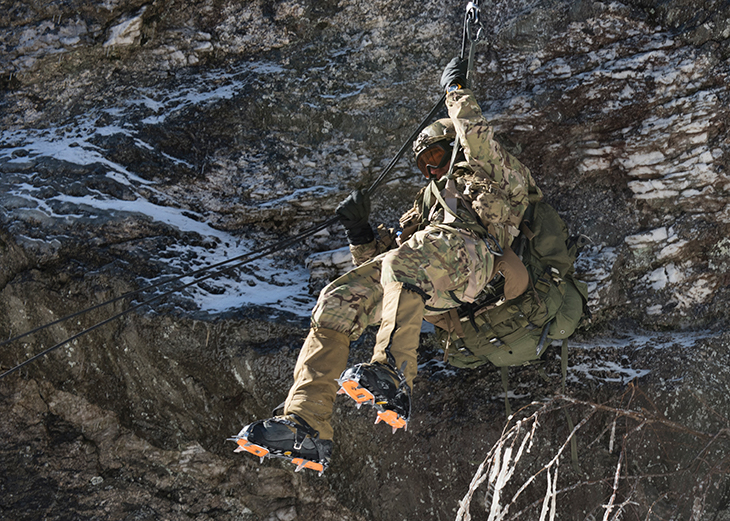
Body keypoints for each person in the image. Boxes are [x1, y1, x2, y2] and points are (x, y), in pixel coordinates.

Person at [232, 57, 543, 474]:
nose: (431, 169)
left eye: (437, 156)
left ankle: (394, 376)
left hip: (479, 261)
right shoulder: (425, 207)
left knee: (404, 261)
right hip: (433, 277)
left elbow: (477, 136)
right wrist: (360, 232)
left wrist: (456, 93)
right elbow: (384, 271)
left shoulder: (494, 174)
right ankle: (306, 423)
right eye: (424, 164)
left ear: (455, 149)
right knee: (337, 298)